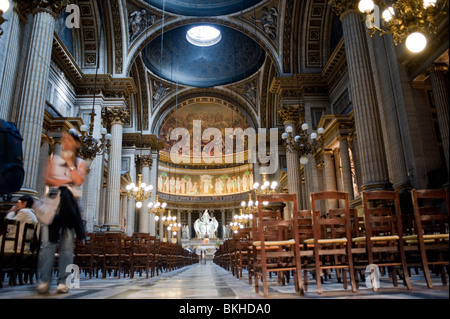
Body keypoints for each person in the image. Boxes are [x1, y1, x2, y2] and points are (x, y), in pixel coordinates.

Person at [37, 129, 87, 294]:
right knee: (47, 244)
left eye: (68, 140)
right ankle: (44, 281)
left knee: (67, 247)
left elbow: (78, 180)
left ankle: (63, 282)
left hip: (69, 206)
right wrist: (68, 180)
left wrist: (70, 165)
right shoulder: (55, 159)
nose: (65, 142)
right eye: (64, 139)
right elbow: (48, 179)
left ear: (76, 144)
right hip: (52, 204)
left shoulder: (80, 162)